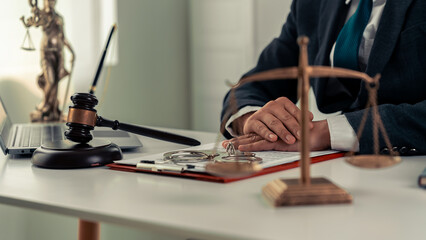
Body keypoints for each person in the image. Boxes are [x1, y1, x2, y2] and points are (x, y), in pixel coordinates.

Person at [221, 0, 426, 155]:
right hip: (340, 170)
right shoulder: (311, 4)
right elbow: (254, 83)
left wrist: (330, 132)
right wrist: (254, 120)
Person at [21, 0, 75, 122]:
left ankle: (53, 109)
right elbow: (35, 18)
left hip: (59, 53)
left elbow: (63, 37)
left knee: (56, 82)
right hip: (46, 52)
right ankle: (44, 103)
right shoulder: (42, 15)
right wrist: (33, 10)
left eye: (51, 1)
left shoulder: (59, 18)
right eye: (46, 1)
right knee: (50, 80)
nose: (49, 3)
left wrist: (72, 51)